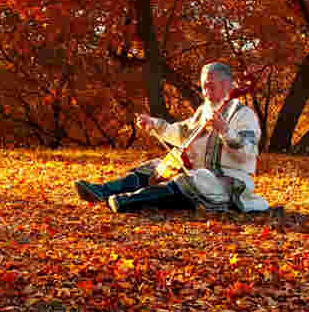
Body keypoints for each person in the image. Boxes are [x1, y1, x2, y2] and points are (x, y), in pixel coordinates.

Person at [74, 62, 269, 213]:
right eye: (203, 87)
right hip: (199, 172)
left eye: (211, 86)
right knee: (157, 165)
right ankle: (102, 191)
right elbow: (182, 133)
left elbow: (249, 152)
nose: (206, 93)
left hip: (228, 180)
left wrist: (225, 131)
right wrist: (154, 124)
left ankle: (127, 201)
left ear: (227, 85)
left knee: (194, 179)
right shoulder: (204, 111)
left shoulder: (244, 115)